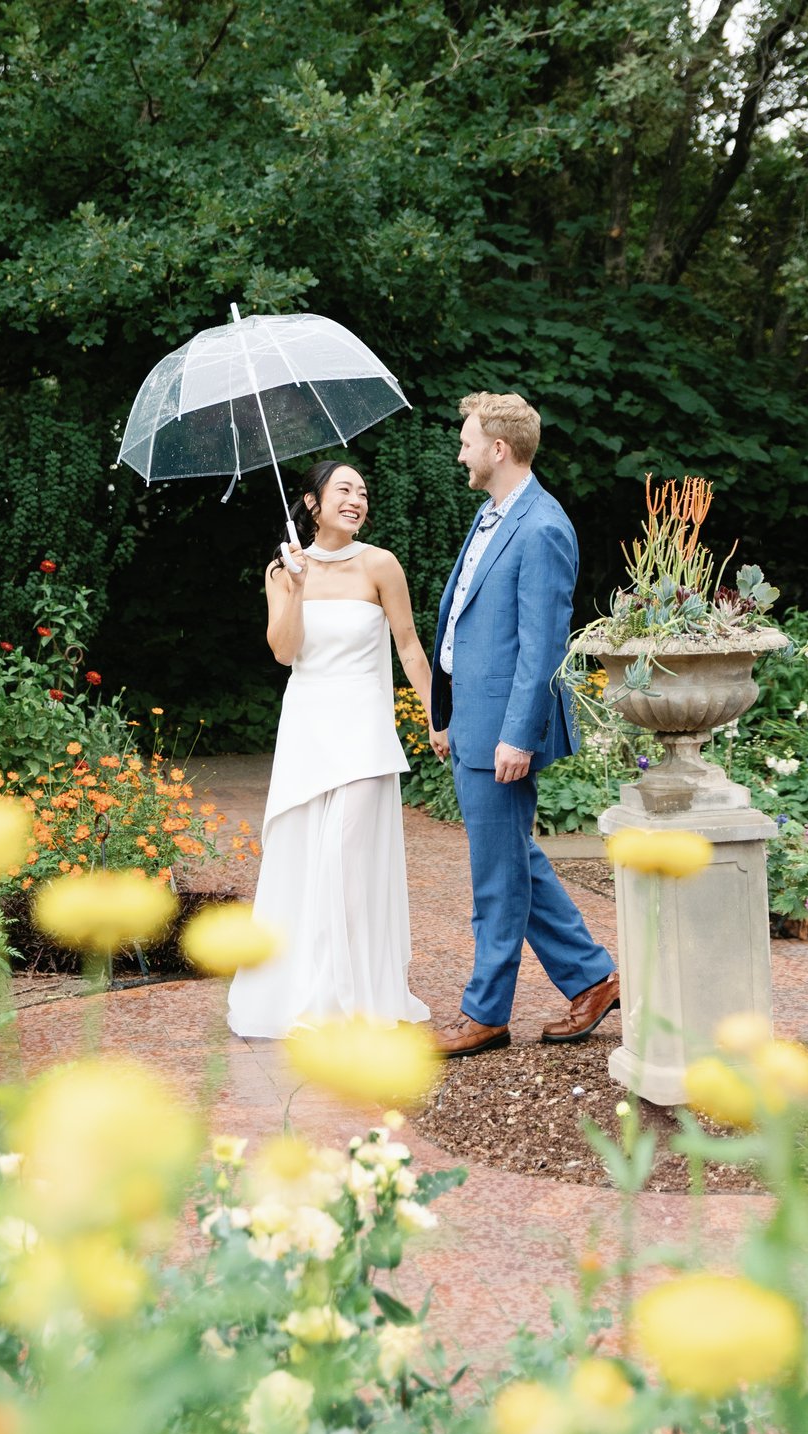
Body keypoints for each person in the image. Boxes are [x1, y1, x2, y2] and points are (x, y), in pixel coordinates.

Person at [426, 392, 618, 1058]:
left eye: (468, 440)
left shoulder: (541, 527)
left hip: (502, 731)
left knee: (497, 879)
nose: (461, 451)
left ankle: (485, 1013)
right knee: (515, 861)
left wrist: (516, 734)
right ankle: (594, 977)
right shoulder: (490, 514)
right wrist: (444, 711)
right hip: (472, 720)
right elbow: (463, 623)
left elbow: (541, 646)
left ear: (498, 449)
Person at [226, 459, 436, 1039]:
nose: (356, 499)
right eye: (343, 490)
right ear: (312, 503)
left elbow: (410, 647)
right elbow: (284, 652)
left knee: (345, 860)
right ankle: (301, 988)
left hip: (365, 726)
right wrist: (294, 587)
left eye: (363, 492)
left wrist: (437, 717)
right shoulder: (281, 569)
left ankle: (345, 996)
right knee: (300, 857)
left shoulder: (380, 565)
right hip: (308, 726)